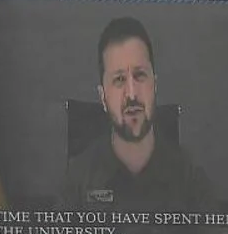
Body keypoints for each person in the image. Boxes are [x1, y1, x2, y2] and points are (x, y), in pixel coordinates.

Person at [62, 16, 218, 222]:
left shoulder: (190, 176)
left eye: (140, 75)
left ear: (154, 85)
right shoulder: (77, 178)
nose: (132, 94)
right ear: (103, 97)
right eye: (119, 79)